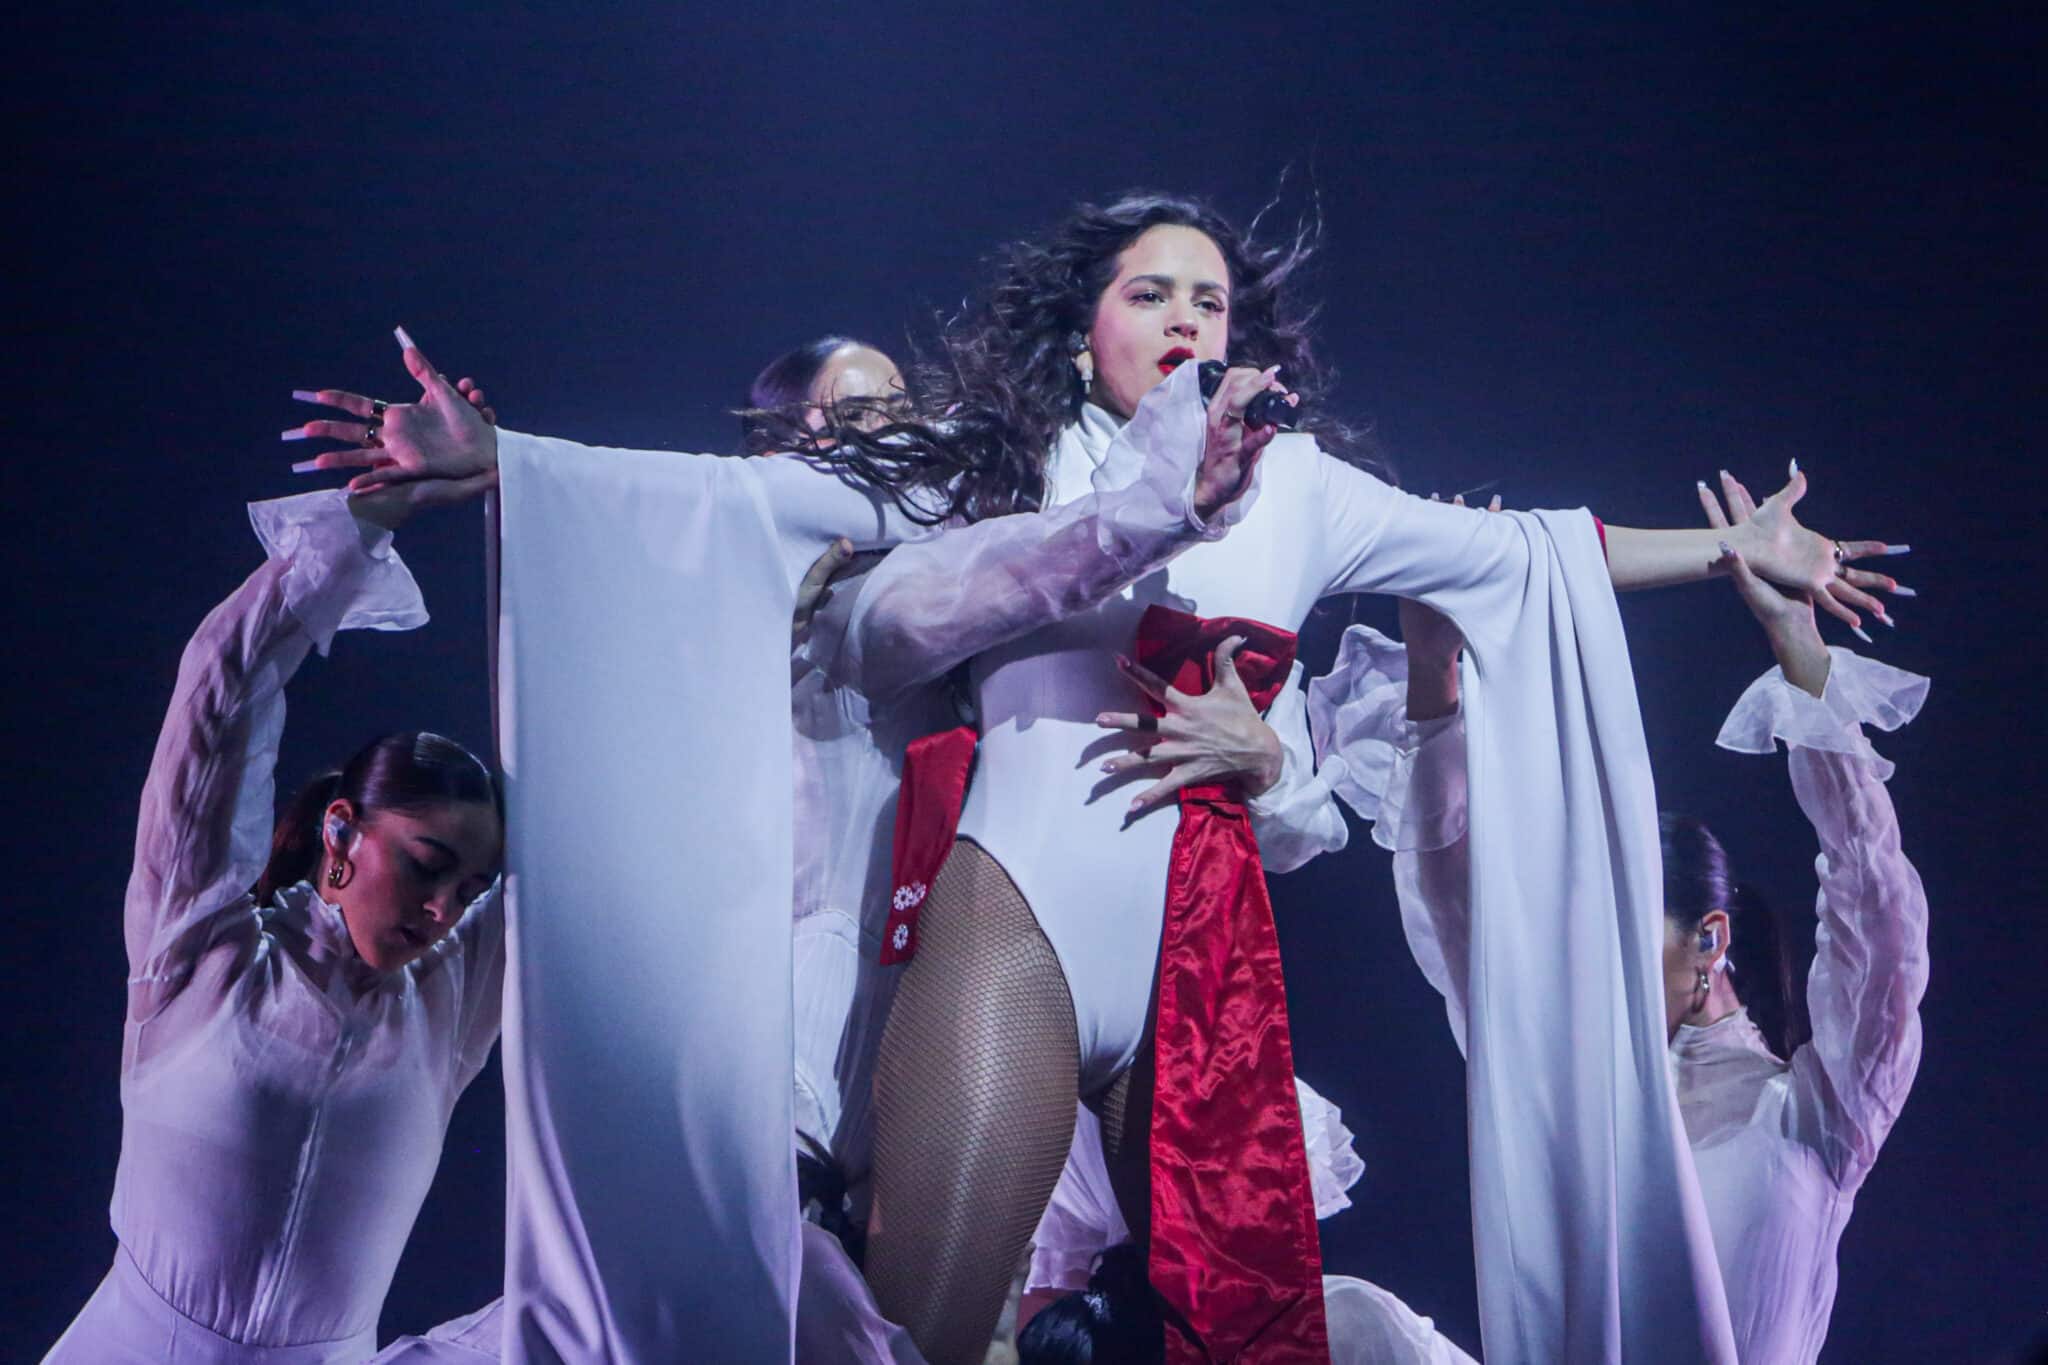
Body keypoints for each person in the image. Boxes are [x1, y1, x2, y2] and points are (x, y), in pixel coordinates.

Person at [784, 192, 1905, 1363]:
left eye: (1207, 302)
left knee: (1244, 1340)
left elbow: (1528, 550)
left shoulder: (1300, 488)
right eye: (1148, 293)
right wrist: (1141, 512)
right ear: (1082, 331)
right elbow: (881, 628)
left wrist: (1733, 550)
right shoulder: (1012, 464)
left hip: (1194, 964)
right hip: (1017, 927)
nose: (1183, 319)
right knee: (925, 1332)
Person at [1307, 475, 1927, 1365]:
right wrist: (1432, 672)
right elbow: (1462, 922)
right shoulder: (1573, 1077)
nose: (1591, 960)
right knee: (1342, 1323)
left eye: (1621, 931)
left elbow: (1878, 915)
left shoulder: (1815, 1118)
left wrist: (1795, 638)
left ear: (1708, 939)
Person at [43, 474, 504, 1363]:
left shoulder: (450, 1001)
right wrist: (376, 511)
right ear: (344, 831)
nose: (444, 908)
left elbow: (601, 855)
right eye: (425, 865)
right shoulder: (197, 954)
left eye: (472, 886)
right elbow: (221, 695)